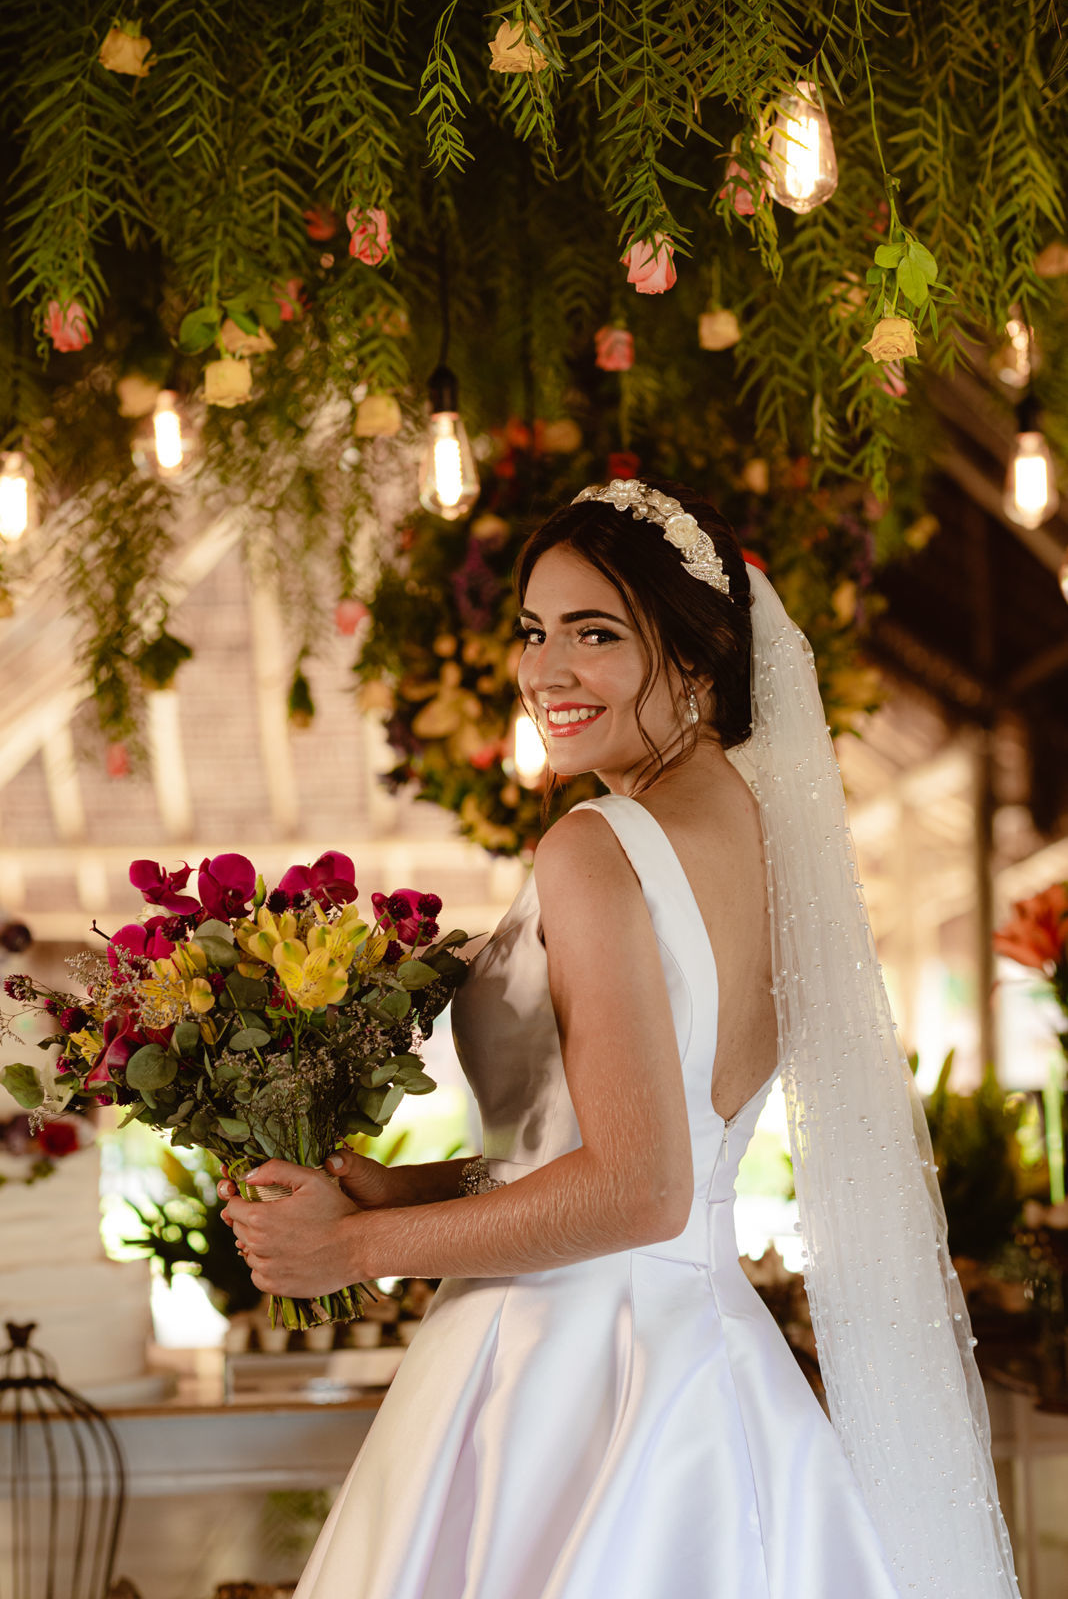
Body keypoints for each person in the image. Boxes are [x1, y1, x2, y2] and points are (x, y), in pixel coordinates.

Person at [220, 479, 1020, 1599]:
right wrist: (402, 1191)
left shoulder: (595, 846)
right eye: (534, 631)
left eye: (595, 634)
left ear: (695, 659)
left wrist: (349, 1253)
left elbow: (642, 1187)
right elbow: (652, 1148)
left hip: (566, 1379)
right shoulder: (771, 842)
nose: (547, 670)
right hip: (708, 1359)